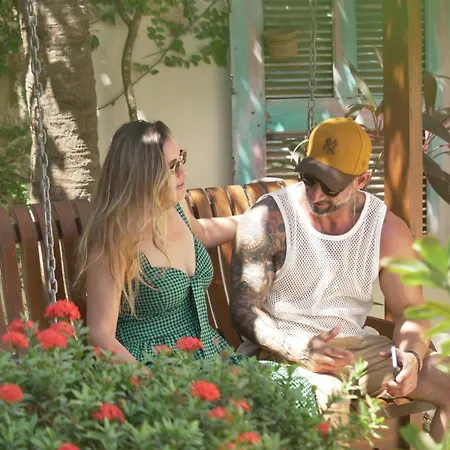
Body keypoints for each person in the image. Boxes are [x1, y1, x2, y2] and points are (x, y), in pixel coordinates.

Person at [229, 117, 450, 441]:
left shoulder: (386, 230)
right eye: (309, 178)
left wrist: (412, 359)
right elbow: (243, 308)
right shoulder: (270, 218)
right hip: (281, 349)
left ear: (362, 179)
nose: (316, 194)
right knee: (330, 395)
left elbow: (410, 312)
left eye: (330, 186)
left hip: (356, 349)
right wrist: (296, 348)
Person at [77, 120, 243, 364]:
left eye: (181, 159)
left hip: (210, 354)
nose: (184, 172)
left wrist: (259, 218)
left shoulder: (175, 206)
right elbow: (100, 335)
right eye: (173, 166)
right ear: (143, 175)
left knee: (293, 383)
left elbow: (203, 232)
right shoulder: (113, 242)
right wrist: (147, 382)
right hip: (157, 367)